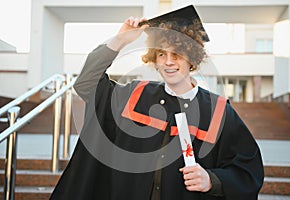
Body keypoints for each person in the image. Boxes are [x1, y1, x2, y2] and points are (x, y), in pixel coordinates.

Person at [50, 5, 264, 200]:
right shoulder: (135, 96)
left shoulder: (217, 112)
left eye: (177, 54)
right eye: (161, 54)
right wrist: (120, 40)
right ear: (155, 59)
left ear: (192, 59)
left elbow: (247, 170)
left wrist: (211, 180)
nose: (169, 62)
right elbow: (86, 84)